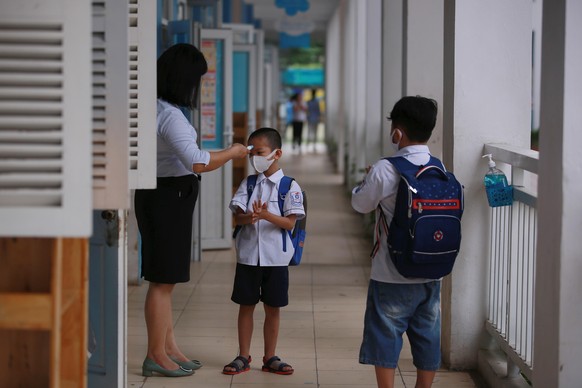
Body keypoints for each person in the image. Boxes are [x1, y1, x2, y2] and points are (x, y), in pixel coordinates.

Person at [134, 43, 249, 378]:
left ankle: (169, 348)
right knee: (162, 281)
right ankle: (155, 354)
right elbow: (197, 161)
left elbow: (189, 152)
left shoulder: (152, 107)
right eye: (198, 79)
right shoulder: (169, 115)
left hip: (159, 194)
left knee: (165, 278)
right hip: (168, 197)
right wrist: (232, 152)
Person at [351, 96, 441, 388]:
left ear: (397, 133)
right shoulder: (438, 167)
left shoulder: (384, 168)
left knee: (385, 334)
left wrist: (365, 183)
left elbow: (361, 205)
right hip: (432, 270)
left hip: (391, 271)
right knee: (427, 334)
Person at [223, 127, 305, 376]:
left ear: (277, 153)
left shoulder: (289, 187)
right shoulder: (248, 184)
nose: (254, 158)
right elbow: (239, 218)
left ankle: (270, 357)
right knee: (245, 306)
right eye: (251, 153)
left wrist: (266, 214)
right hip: (248, 257)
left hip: (276, 259)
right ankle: (243, 355)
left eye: (259, 152)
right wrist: (251, 217)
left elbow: (290, 223)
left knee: (273, 307)